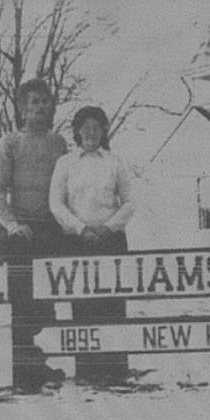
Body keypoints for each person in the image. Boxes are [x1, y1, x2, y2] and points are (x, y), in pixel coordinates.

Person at [0, 78, 67, 393]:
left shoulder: (58, 143)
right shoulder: (9, 142)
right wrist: (11, 225)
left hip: (49, 230)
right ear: (22, 108)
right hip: (21, 232)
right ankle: (22, 371)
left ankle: (39, 364)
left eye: (43, 101)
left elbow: (67, 184)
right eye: (32, 102)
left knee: (45, 304)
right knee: (22, 305)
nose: (38, 107)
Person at [49, 105, 135, 382]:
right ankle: (88, 371)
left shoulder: (115, 162)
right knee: (84, 309)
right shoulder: (66, 163)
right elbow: (56, 203)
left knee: (112, 307)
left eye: (96, 127)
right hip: (77, 242)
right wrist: (80, 228)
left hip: (111, 242)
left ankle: (117, 371)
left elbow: (130, 201)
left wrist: (109, 228)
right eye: (85, 128)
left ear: (103, 131)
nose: (91, 133)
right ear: (77, 131)